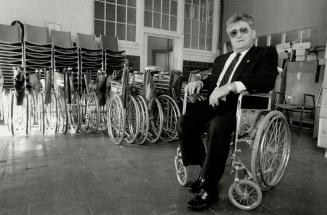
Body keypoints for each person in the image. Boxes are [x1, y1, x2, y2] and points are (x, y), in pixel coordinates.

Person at [178, 12, 278, 210]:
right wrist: (200, 82)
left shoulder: (265, 53)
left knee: (218, 126)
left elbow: (266, 81)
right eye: (234, 33)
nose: (239, 35)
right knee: (185, 122)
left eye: (243, 30)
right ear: (229, 36)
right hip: (215, 105)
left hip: (243, 108)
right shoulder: (221, 59)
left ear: (253, 33)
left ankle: (209, 188)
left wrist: (231, 86)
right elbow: (215, 81)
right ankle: (203, 172)